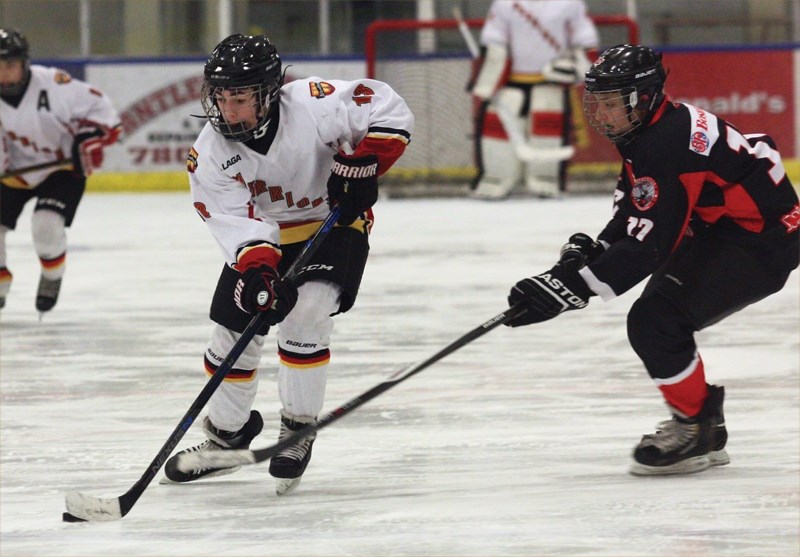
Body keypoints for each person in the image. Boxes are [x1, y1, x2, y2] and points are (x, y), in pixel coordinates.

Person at [504, 44, 799, 476]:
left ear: (643, 96)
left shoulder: (667, 143)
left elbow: (650, 246)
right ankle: (702, 424)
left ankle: (696, 430)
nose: (601, 115)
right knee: (656, 319)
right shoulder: (655, 129)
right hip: (731, 230)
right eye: (597, 103)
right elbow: (634, 216)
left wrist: (571, 287)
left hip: (761, 242)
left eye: (611, 104)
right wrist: (589, 258)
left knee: (656, 321)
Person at [163, 34, 413, 495]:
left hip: (333, 226)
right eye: (220, 97)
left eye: (238, 97)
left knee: (308, 310)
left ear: (266, 92)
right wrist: (260, 271)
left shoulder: (315, 104)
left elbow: (389, 108)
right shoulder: (211, 153)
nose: (227, 110)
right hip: (268, 242)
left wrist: (363, 162)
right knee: (232, 331)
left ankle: (297, 430)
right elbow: (234, 221)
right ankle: (225, 438)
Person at [0, 28, 121, 313]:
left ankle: (52, 276)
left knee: (45, 226)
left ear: (24, 63)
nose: (4, 74)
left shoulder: (54, 84)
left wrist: (86, 140)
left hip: (61, 169)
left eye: (10, 65)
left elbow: (105, 115)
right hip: (14, 172)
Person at [468, 0, 598, 200]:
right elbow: (494, 41)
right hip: (510, 82)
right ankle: (495, 179)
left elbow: (585, 40)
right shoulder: (504, 4)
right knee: (497, 132)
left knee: (549, 131)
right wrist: (488, 78)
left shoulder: (569, 3)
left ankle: (547, 179)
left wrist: (577, 66)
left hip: (551, 81)